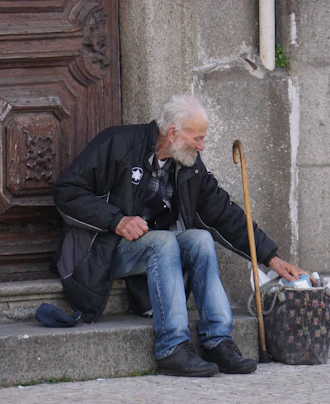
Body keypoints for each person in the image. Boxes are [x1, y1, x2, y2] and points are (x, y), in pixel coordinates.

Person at [51, 95, 312, 377]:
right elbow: (67, 192)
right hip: (101, 250)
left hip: (149, 251)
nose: (202, 146)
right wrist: (116, 220)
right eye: (197, 138)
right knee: (163, 241)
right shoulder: (118, 143)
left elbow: (224, 214)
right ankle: (172, 347)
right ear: (173, 133)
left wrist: (270, 257)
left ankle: (218, 340)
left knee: (200, 240)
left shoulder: (188, 165)